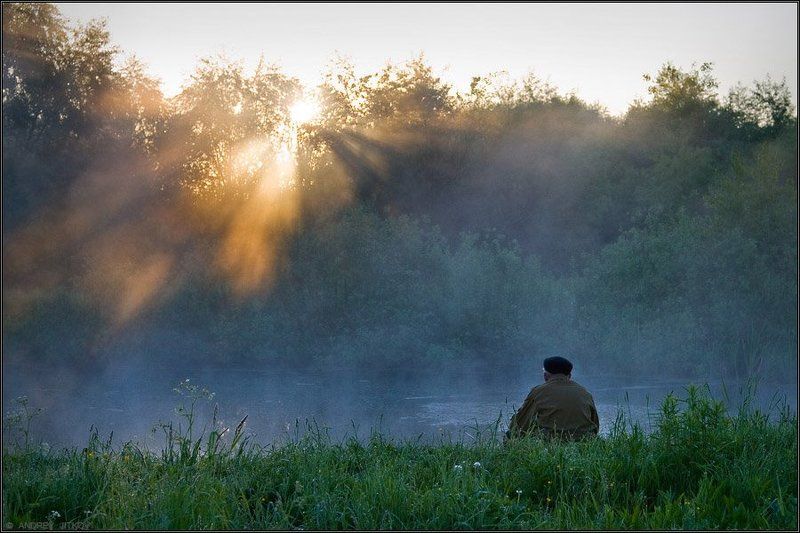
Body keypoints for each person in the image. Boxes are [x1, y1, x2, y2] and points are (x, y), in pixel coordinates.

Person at [505, 356, 599, 441]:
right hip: (585, 441)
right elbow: (595, 425)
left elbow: (520, 424)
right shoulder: (585, 393)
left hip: (551, 443)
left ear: (545, 376)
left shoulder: (538, 392)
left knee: (510, 435)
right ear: (569, 376)